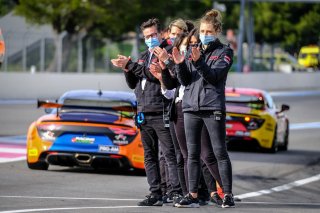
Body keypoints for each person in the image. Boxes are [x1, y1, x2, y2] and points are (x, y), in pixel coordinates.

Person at [110, 18, 181, 207]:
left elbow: (151, 74)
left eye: (153, 35)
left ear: (160, 34)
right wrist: (126, 68)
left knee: (168, 154)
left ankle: (174, 192)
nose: (150, 38)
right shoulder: (142, 56)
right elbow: (133, 83)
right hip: (143, 112)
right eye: (147, 36)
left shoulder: (165, 54)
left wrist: (131, 65)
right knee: (149, 155)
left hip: (161, 111)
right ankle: (155, 192)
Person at [152, 29, 224, 207]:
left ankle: (224, 190)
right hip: (180, 107)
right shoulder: (180, 62)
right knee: (184, 156)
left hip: (197, 107)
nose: (186, 50)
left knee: (206, 154)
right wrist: (163, 73)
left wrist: (170, 62)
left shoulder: (197, 61)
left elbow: (188, 79)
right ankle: (189, 194)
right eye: (184, 47)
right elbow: (172, 86)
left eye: (190, 46)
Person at [171, 9, 235, 208]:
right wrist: (181, 64)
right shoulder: (192, 50)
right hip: (190, 107)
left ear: (216, 31)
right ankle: (192, 193)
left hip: (212, 107)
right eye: (202, 31)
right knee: (192, 153)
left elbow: (214, 77)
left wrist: (198, 62)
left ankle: (228, 194)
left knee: (219, 152)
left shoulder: (224, 51)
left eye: (208, 31)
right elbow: (185, 81)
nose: (204, 35)